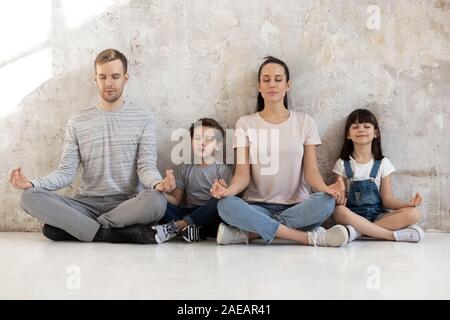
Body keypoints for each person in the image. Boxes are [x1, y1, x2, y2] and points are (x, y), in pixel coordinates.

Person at [9, 48, 170, 244]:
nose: (108, 83)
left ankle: (83, 228)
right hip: (85, 204)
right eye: (102, 77)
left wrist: (158, 184)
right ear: (95, 79)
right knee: (29, 197)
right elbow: (66, 172)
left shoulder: (143, 118)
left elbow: (146, 167)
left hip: (126, 205)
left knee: (158, 201)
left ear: (125, 78)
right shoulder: (78, 121)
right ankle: (109, 233)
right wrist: (32, 184)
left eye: (115, 76)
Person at [210, 56, 348, 247]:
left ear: (288, 84)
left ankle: (250, 234)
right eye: (266, 80)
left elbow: (312, 172)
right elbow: (242, 175)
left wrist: (327, 189)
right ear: (259, 86)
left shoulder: (305, 122)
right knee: (225, 205)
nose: (272, 85)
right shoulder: (245, 123)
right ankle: (307, 237)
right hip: (257, 208)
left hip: (297, 207)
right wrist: (227, 191)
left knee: (325, 202)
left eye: (278, 79)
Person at [331, 108, 424, 242]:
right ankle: (388, 235)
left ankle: (357, 233)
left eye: (367, 126)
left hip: (378, 217)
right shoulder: (342, 164)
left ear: (376, 133)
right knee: (339, 211)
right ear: (348, 134)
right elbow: (340, 197)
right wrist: (338, 198)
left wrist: (405, 204)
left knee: (413, 213)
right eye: (355, 127)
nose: (361, 130)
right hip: (352, 217)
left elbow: (387, 200)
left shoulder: (383, 163)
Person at [152, 118, 232, 243]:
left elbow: (226, 201)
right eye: (198, 139)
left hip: (211, 214)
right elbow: (176, 201)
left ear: (218, 144)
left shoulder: (223, 170)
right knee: (156, 201)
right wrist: (160, 190)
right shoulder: (184, 168)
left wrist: (221, 191)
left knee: (221, 202)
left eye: (209, 139)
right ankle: (192, 230)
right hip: (188, 212)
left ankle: (178, 227)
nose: (202, 143)